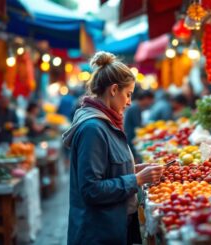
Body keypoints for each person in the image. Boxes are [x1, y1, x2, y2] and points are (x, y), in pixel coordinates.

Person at [62, 51, 164, 245]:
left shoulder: (107, 123)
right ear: (114, 89)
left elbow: (106, 171)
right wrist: (137, 179)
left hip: (113, 227)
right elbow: (91, 189)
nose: (129, 102)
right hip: (98, 234)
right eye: (128, 94)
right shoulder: (93, 129)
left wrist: (134, 170)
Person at [124, 88, 154, 162]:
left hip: (130, 135)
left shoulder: (135, 106)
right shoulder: (135, 108)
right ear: (146, 99)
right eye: (150, 100)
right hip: (130, 136)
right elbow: (137, 125)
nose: (150, 103)